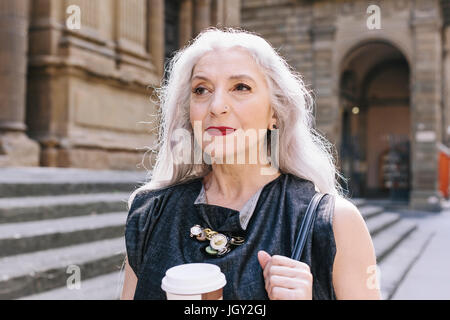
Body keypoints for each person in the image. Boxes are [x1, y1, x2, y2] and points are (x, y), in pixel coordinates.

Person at [120, 27, 381, 300]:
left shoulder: (334, 222)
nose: (216, 105)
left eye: (241, 87)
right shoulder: (150, 214)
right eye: (201, 89)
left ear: (275, 114)